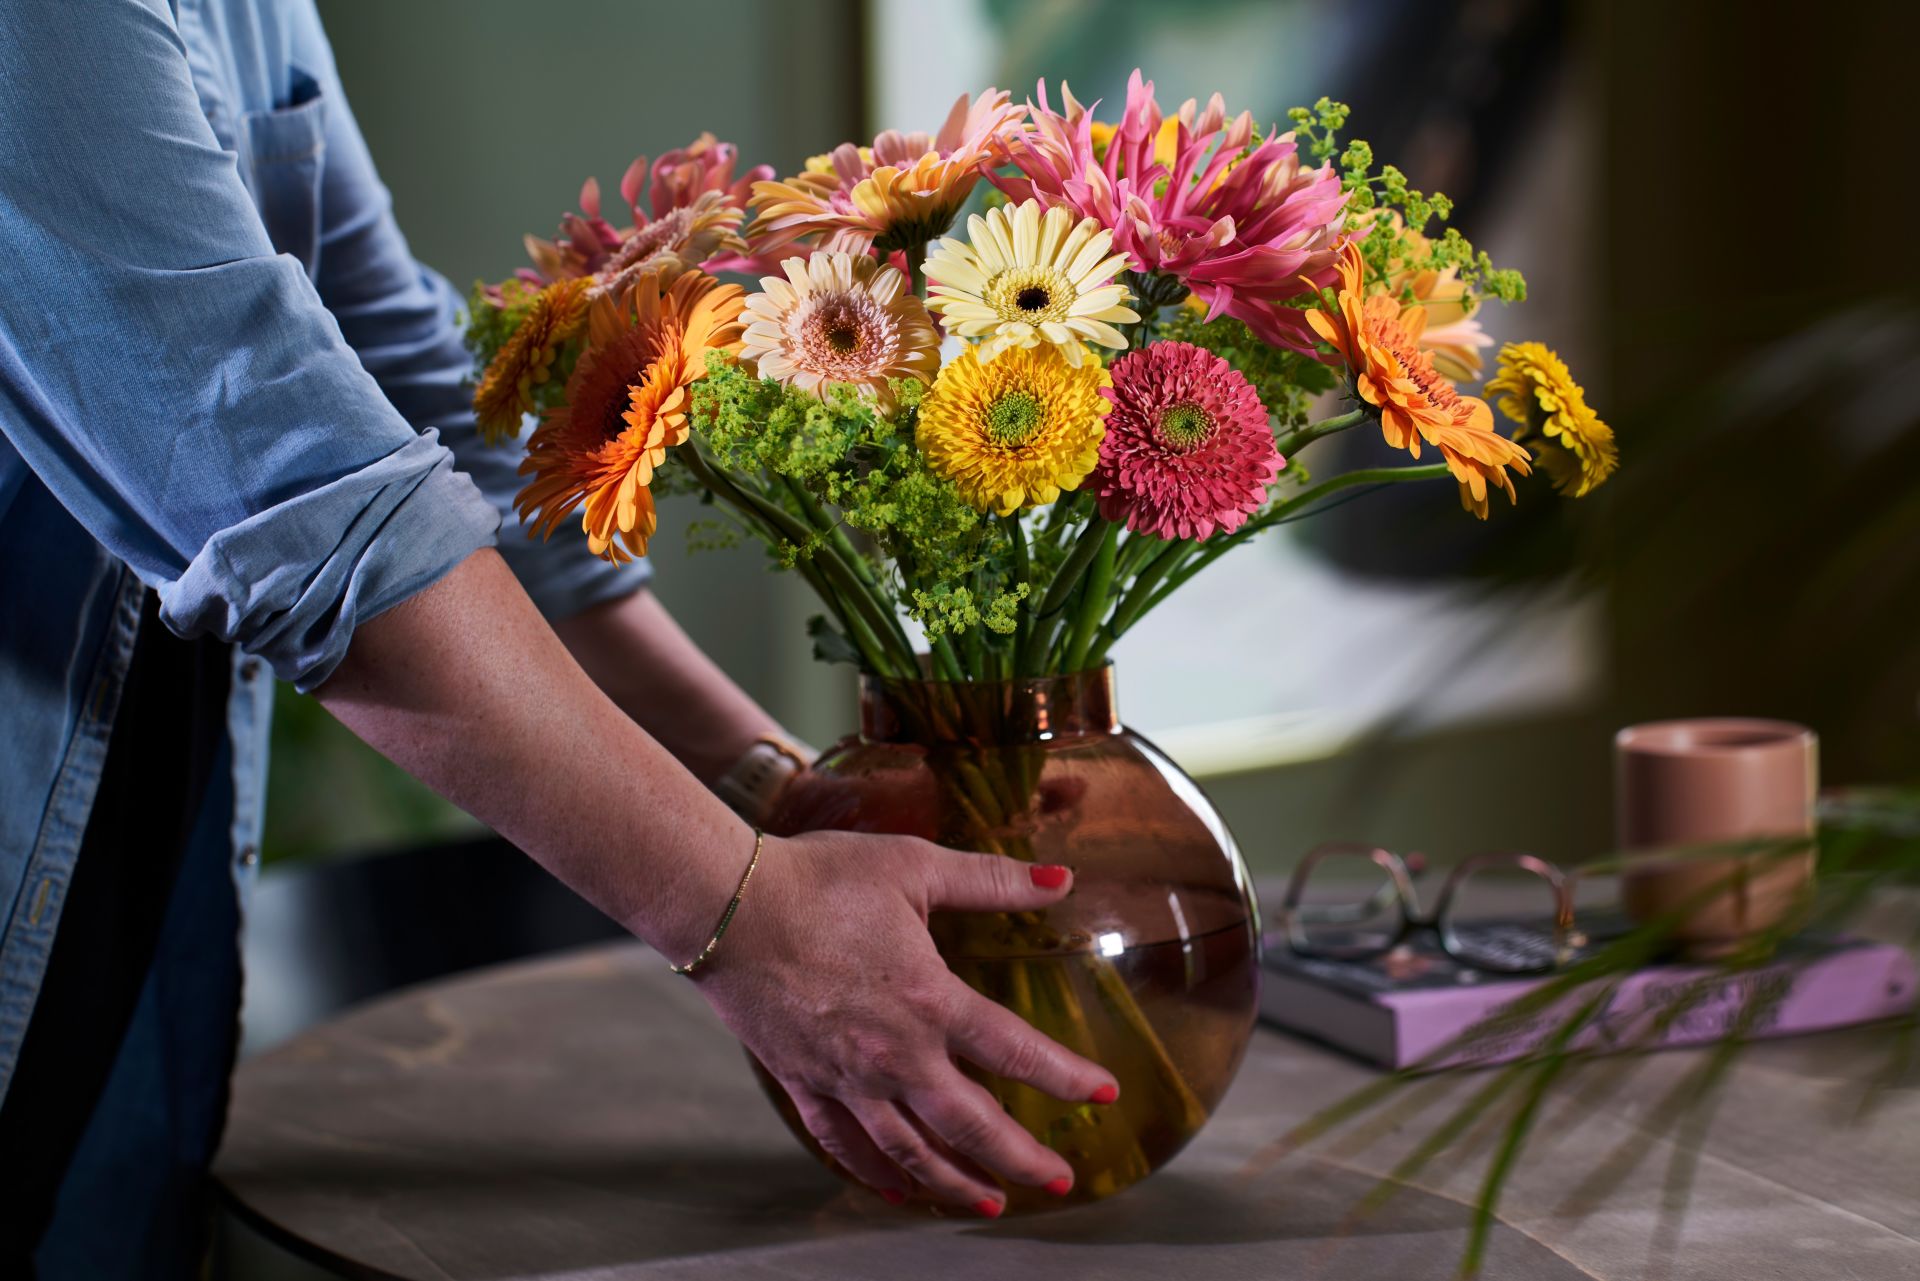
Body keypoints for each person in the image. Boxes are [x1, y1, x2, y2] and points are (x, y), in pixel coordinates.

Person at [0, 1, 1116, 1274]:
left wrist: (778, 790)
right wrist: (746, 910)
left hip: (130, 879)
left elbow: (404, 379)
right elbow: (299, 509)